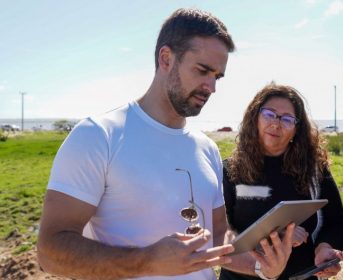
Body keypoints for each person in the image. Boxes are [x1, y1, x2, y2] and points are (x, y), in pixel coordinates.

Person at [37, 8, 294, 280]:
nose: (211, 87)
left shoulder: (207, 148)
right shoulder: (98, 135)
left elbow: (218, 235)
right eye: (203, 70)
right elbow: (50, 252)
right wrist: (146, 261)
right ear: (166, 58)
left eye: (217, 77)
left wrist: (260, 266)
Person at [220, 83, 343, 280]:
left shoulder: (314, 170)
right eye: (269, 114)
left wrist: (324, 248)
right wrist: (279, 235)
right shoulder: (229, 170)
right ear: (255, 117)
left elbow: (336, 223)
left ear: (297, 130)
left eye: (287, 119)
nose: (276, 123)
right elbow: (219, 232)